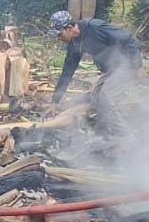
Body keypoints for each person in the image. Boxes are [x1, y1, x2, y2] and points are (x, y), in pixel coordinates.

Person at [47, 10, 142, 138]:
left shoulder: (95, 27)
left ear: (69, 28)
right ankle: (103, 132)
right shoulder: (74, 44)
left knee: (106, 95)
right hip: (111, 69)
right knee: (96, 96)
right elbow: (67, 72)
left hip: (127, 64)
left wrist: (138, 66)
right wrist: (54, 102)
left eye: (60, 35)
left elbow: (128, 38)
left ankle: (124, 137)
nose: (59, 39)